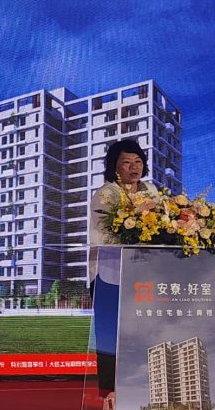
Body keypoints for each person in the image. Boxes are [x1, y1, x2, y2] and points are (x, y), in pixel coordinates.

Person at [87, 139, 159, 409]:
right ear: (114, 167)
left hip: (144, 275)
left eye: (138, 162)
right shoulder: (106, 193)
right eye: (126, 162)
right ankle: (110, 394)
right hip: (110, 274)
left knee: (143, 332)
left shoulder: (151, 190)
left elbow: (163, 221)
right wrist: (138, 215)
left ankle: (144, 388)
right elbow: (106, 232)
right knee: (110, 335)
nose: (133, 167)